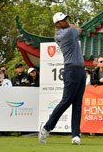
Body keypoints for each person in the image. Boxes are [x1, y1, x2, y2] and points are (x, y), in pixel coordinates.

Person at [39, 12, 86, 145]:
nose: (66, 21)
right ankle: (46, 128)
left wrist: (64, 25)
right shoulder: (67, 33)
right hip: (71, 70)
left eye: (66, 19)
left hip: (80, 70)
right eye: (63, 20)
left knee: (77, 104)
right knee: (66, 101)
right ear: (57, 24)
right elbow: (79, 29)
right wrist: (67, 25)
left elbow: (70, 28)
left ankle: (76, 135)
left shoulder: (60, 33)